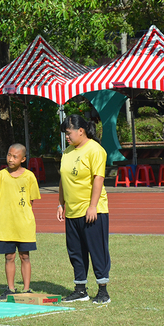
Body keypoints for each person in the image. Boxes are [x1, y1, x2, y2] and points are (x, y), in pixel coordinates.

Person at [57, 114, 111, 304]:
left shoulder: (95, 150)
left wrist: (93, 206)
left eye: (69, 132)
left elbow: (98, 178)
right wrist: (61, 203)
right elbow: (63, 178)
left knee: (97, 250)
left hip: (92, 210)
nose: (67, 137)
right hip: (72, 211)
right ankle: (80, 289)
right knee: (76, 251)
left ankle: (103, 290)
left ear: (81, 131)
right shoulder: (67, 152)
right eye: (65, 133)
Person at [0, 144, 41, 300]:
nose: (11, 159)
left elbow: (31, 200)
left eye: (15, 156)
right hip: (6, 224)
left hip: (24, 224)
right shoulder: (0, 176)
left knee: (25, 256)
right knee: (9, 257)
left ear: (23, 159)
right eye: (9, 155)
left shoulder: (29, 176)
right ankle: (10, 289)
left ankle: (27, 289)